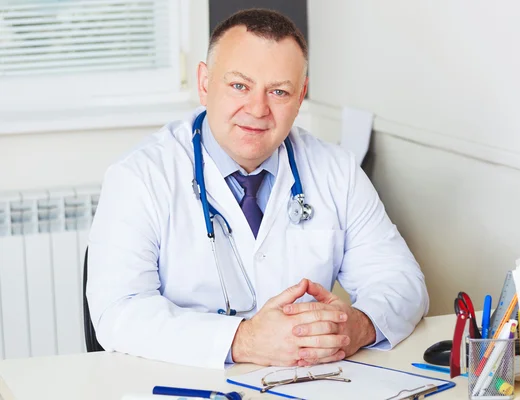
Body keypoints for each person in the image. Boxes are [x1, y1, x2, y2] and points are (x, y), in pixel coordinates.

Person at [86, 8, 429, 370]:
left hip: (308, 383)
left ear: (300, 97)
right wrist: (243, 340)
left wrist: (354, 327)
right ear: (204, 83)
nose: (258, 108)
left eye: (279, 92)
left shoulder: (336, 170)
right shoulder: (140, 176)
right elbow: (117, 312)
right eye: (239, 86)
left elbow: (402, 281)